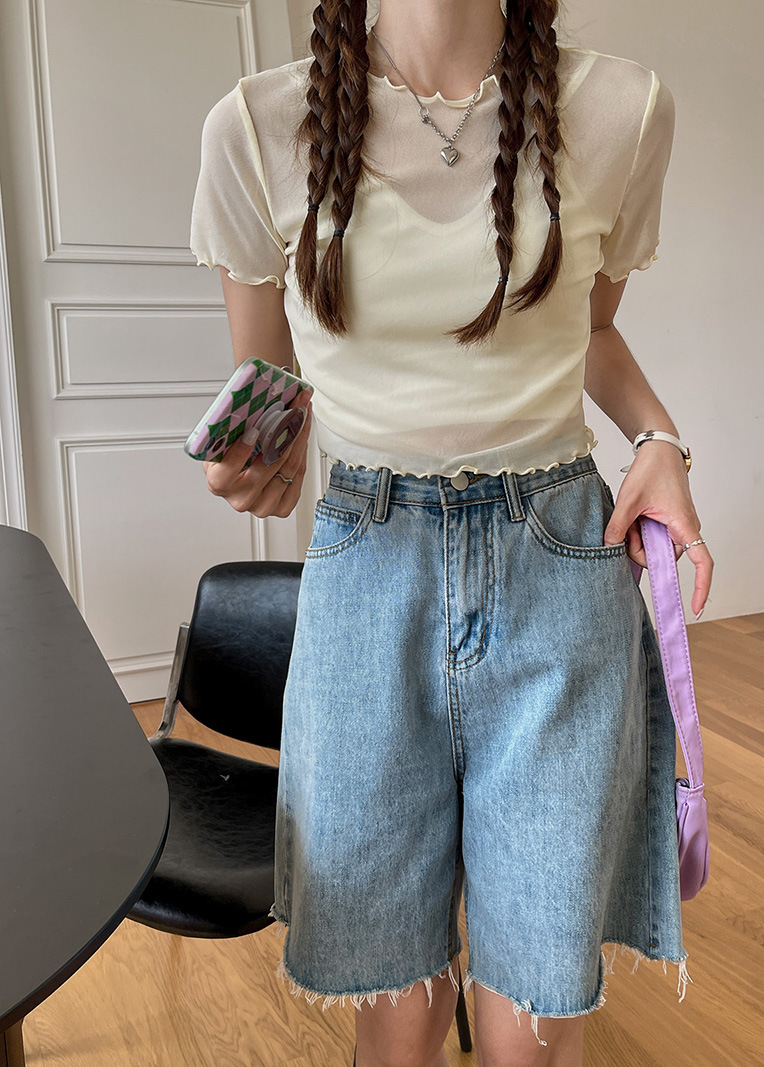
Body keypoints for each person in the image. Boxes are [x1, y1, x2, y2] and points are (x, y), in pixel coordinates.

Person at [189, 1, 714, 1063]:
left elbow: (589, 326)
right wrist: (254, 458)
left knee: (535, 1006)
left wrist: (658, 437)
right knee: (397, 1000)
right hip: (366, 559)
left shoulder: (621, 108)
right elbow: (268, 377)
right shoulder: (255, 126)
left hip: (557, 555)